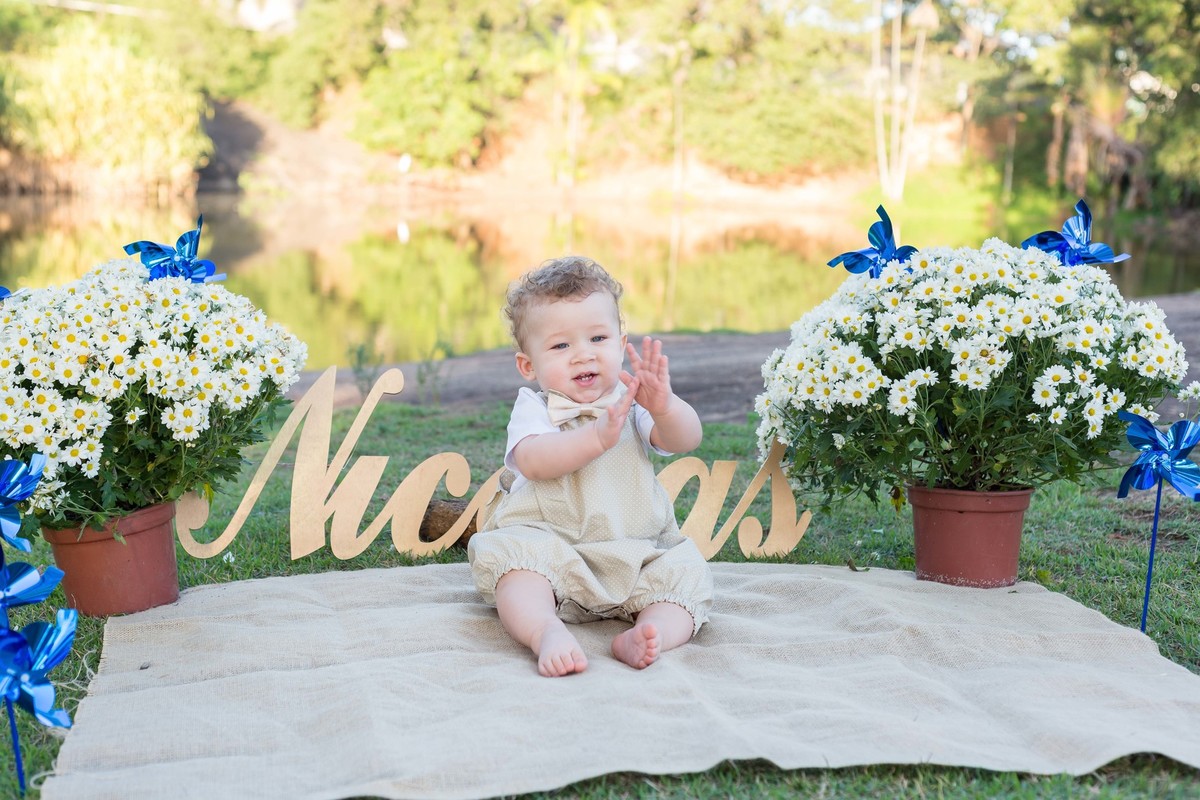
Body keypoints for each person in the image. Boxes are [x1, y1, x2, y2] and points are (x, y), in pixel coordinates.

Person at [468, 256, 714, 677]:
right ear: (529, 365)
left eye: (598, 338)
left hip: (635, 549)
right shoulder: (536, 407)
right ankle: (544, 630)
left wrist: (667, 407)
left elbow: (684, 440)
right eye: (561, 346)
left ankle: (649, 631)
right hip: (553, 545)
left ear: (621, 341)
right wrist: (595, 438)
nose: (583, 355)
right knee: (517, 573)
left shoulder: (629, 400)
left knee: (684, 579)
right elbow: (533, 460)